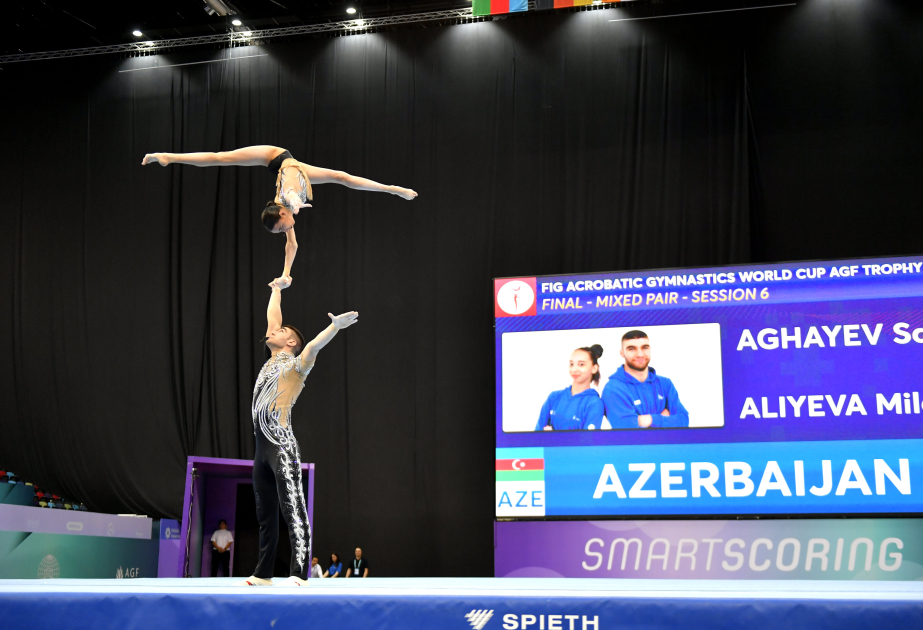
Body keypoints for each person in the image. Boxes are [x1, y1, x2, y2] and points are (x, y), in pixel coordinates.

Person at [235, 277, 359, 587]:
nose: (272, 331)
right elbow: (273, 317)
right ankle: (263, 573)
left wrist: (334, 328)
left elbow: (313, 346)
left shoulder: (296, 366)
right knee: (265, 515)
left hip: (281, 447)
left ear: (290, 342)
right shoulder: (273, 358)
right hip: (261, 450)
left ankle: (299, 572)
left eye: (281, 332)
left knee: (293, 508)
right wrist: (276, 290)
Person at [141, 145, 418, 234]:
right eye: (283, 231)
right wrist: (286, 272)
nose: (286, 230)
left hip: (275, 157)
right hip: (290, 170)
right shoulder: (284, 211)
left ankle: (168, 156)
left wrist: (295, 199)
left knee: (220, 158)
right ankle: (391, 189)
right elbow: (292, 244)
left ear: (283, 215)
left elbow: (290, 185)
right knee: (341, 177)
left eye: (282, 228)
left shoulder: (287, 198)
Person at [601, 330, 689, 429]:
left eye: (645, 347)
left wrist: (649, 420)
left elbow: (683, 421)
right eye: (631, 349)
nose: (640, 354)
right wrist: (664, 418)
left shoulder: (665, 384)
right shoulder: (613, 389)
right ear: (622, 353)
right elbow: (629, 433)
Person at [535, 345, 606, 431]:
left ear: (594, 368)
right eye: (571, 364)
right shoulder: (554, 397)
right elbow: (537, 433)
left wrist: (551, 434)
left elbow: (587, 438)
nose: (574, 369)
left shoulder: (594, 403)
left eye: (581, 364)